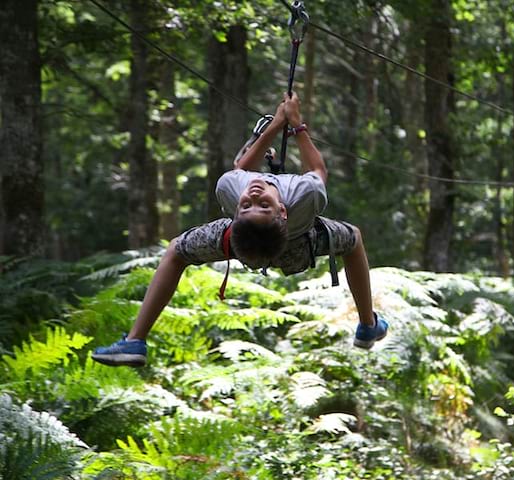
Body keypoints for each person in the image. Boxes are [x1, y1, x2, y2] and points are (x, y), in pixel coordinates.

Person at [92, 92, 388, 367]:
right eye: (260, 207)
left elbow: (241, 169)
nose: (254, 197)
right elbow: (319, 171)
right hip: (300, 245)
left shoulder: (232, 189)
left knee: (176, 252)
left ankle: (135, 341)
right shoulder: (303, 195)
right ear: (282, 212)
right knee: (354, 239)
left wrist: (274, 125)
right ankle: (367, 325)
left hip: (244, 243)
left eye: (248, 206)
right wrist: (296, 125)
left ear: (234, 214)